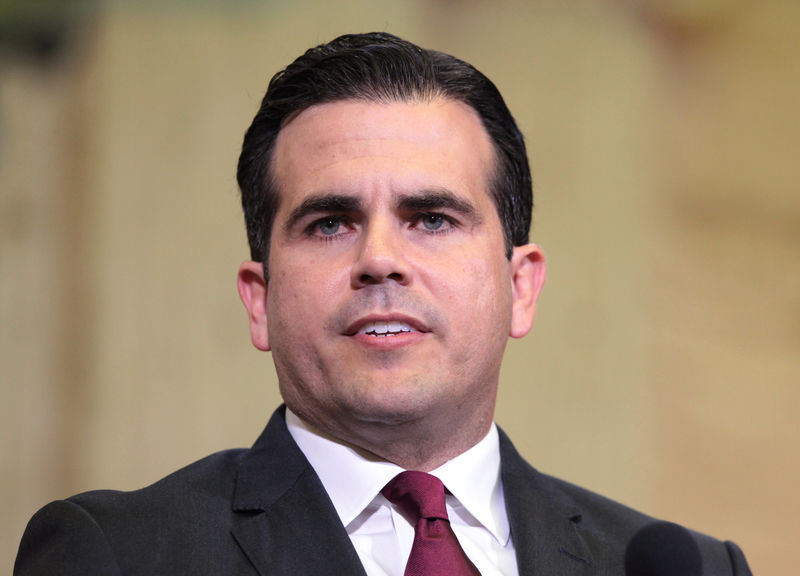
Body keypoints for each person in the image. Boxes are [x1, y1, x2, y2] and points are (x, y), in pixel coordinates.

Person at [15, 32, 751, 575]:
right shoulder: (117, 555)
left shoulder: (677, 566)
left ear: (520, 286)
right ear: (259, 299)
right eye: (329, 222)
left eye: (432, 219)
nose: (379, 260)